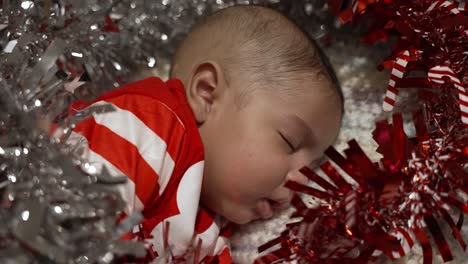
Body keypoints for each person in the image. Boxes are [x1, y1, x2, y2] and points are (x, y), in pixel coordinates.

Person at [64, 5, 343, 263]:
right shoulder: (148, 121)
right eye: (289, 141)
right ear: (207, 95)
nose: (304, 180)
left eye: (315, 165)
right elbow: (85, 204)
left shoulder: (211, 228)